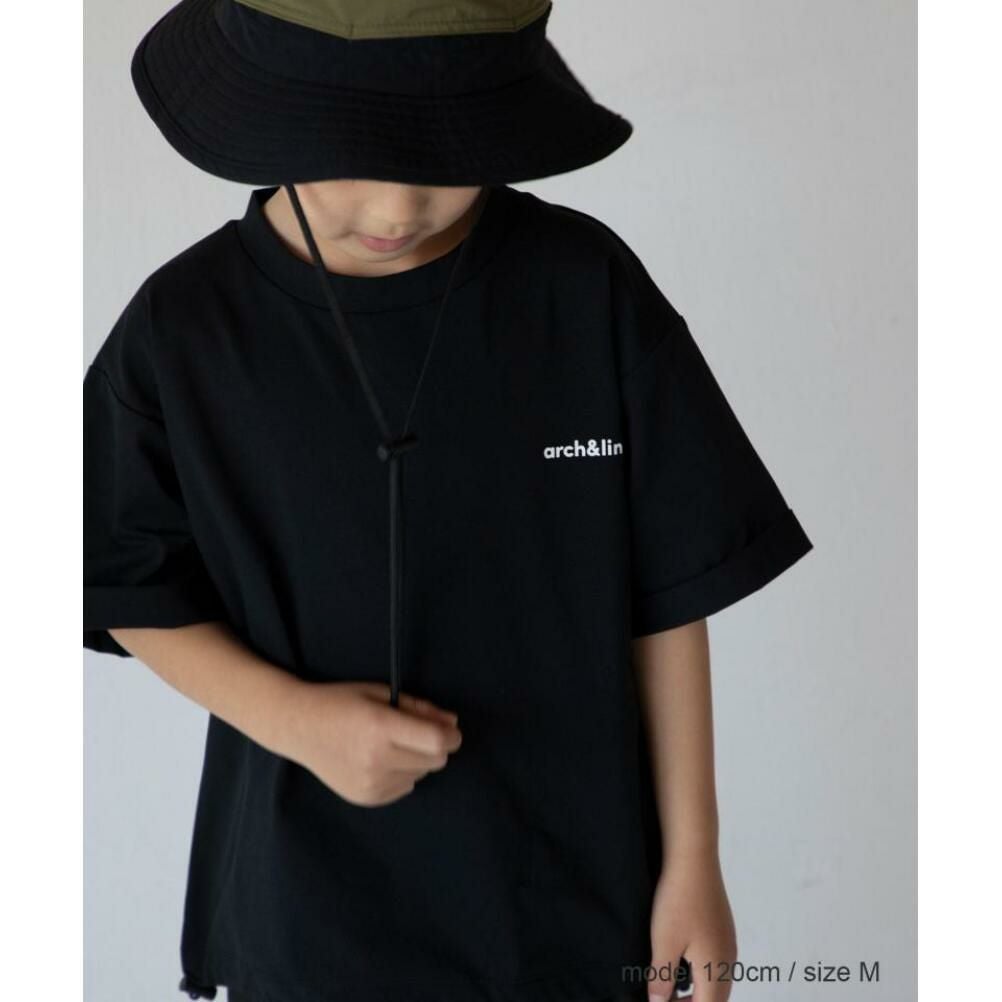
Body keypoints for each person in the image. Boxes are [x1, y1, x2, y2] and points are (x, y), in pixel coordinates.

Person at [83, 1, 815, 1001]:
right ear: (267, 113)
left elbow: (669, 590)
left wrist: (693, 856)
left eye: (445, 155)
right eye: (349, 156)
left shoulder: (584, 288)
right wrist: (294, 722)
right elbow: (115, 574)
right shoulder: (184, 330)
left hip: (571, 913)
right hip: (303, 921)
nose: (397, 207)